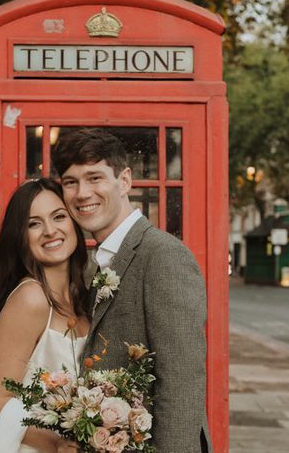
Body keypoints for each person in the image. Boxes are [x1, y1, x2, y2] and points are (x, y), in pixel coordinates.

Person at [51, 128, 212, 453]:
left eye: (95, 178)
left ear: (124, 181)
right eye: (71, 182)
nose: (82, 193)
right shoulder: (90, 261)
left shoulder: (164, 255)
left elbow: (181, 380)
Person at [0, 177, 89, 453]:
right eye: (34, 223)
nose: (50, 231)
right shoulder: (32, 298)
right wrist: (57, 444)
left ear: (74, 223)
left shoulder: (84, 297)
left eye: (59, 217)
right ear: (21, 237)